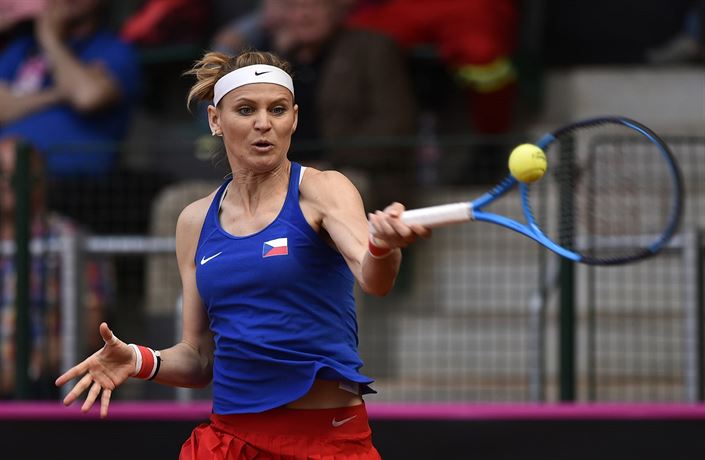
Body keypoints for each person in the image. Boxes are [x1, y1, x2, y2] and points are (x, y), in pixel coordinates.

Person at [55, 49, 430, 459]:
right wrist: (139, 359)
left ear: (294, 119)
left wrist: (383, 246)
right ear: (215, 120)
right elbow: (198, 358)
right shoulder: (194, 221)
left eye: (278, 109)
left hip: (328, 440)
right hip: (229, 441)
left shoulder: (324, 189)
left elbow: (375, 279)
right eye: (246, 110)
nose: (263, 123)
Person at [0, 139, 113, 399]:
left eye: (16, 174)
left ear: (41, 180)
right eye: (1, 174)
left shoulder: (70, 240)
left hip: (47, 389)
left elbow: (92, 332)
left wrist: (25, 371)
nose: (6, 182)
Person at [0, 0, 140, 178]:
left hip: (71, 182)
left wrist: (50, 40)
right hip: (8, 174)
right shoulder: (23, 47)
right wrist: (60, 93)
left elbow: (87, 97)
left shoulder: (114, 49)